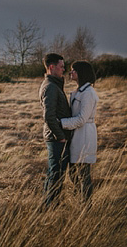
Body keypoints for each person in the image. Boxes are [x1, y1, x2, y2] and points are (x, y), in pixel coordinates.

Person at [60, 60, 98, 201]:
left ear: (81, 73)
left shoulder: (88, 93)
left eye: (73, 70)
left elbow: (82, 119)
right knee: (74, 174)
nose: (70, 73)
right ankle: (79, 199)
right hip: (76, 135)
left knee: (83, 174)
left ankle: (86, 206)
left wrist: (61, 123)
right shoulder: (79, 91)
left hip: (85, 136)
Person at [39, 52, 72, 207]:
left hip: (56, 137)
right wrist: (60, 137)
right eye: (61, 67)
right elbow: (49, 116)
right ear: (51, 67)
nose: (63, 70)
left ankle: (49, 205)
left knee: (54, 173)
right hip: (56, 138)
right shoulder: (51, 87)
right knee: (56, 174)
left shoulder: (54, 85)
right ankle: (49, 207)